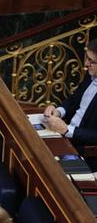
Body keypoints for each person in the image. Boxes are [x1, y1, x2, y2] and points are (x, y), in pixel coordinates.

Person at [44, 39, 97, 171]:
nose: (86, 64)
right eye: (87, 58)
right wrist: (59, 111)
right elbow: (75, 99)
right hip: (65, 138)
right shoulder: (91, 74)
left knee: (45, 169)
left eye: (92, 61)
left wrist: (67, 130)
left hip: (83, 152)